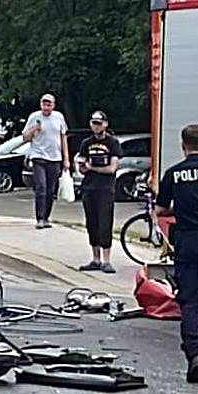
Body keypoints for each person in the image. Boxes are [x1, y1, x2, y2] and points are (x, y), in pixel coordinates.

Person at [155, 124, 198, 384]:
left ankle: (195, 354)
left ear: (183, 145)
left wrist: (177, 210)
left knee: (190, 300)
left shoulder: (173, 174)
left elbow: (160, 210)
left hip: (187, 242)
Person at [74, 110, 121, 273]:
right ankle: (96, 258)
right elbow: (82, 167)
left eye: (99, 123)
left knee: (105, 222)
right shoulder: (86, 143)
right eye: (94, 123)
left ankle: (106, 260)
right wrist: (82, 166)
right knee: (91, 223)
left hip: (106, 188)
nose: (96, 126)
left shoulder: (112, 143)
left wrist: (92, 167)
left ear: (105, 124)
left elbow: (112, 168)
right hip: (89, 187)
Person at [22, 93, 69, 228]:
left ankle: (47, 217)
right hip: (38, 156)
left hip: (54, 158)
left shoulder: (59, 117)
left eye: (49, 104)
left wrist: (66, 158)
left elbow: (63, 138)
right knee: (41, 187)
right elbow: (25, 137)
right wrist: (34, 129)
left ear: (53, 105)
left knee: (50, 190)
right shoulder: (34, 117)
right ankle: (40, 218)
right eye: (44, 103)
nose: (46, 106)